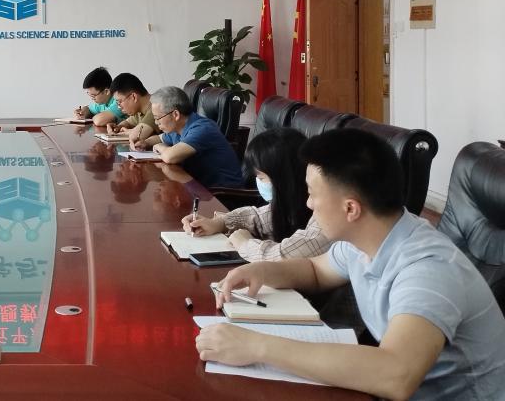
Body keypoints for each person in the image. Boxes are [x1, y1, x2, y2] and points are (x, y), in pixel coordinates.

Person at [198, 128, 505, 400]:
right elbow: (315, 271)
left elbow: (396, 375)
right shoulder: (364, 239)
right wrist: (260, 271)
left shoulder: (428, 269)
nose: (308, 204)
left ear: (350, 209)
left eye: (312, 194)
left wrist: (256, 347)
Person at [181, 128, 330, 261]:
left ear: (284, 179)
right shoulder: (292, 202)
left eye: (261, 178)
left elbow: (284, 256)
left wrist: (245, 243)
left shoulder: (326, 215)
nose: (258, 182)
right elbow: (258, 217)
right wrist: (219, 223)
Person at [137, 86, 242, 188]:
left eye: (157, 118)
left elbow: (169, 157)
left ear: (175, 115)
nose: (156, 122)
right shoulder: (177, 128)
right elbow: (160, 138)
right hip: (199, 187)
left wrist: (160, 147)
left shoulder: (202, 129)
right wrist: (146, 142)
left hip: (222, 193)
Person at [104, 73, 157, 138]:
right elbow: (128, 122)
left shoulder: (156, 107)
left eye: (119, 102)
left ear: (133, 97)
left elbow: (138, 135)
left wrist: (128, 132)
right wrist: (117, 127)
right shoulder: (140, 110)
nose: (119, 107)